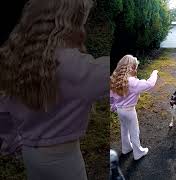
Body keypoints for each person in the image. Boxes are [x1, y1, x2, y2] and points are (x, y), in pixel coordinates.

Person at [0, 0, 108, 179]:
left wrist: (16, 144)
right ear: (70, 23)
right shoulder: (76, 67)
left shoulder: (13, 60)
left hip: (30, 155)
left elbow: (3, 114)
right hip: (64, 160)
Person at [110, 55, 158, 160]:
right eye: (135, 67)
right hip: (129, 111)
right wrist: (154, 73)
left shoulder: (115, 79)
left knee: (124, 129)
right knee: (134, 131)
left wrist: (112, 106)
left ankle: (126, 148)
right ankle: (138, 153)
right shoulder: (131, 82)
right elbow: (149, 84)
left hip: (119, 110)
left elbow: (112, 96)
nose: (136, 69)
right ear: (131, 67)